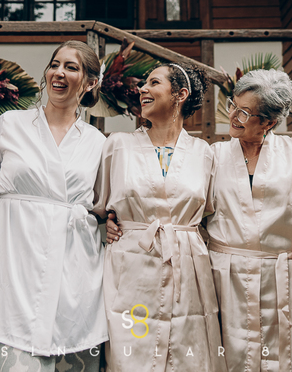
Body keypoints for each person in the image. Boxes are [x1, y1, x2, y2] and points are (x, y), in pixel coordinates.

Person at [0, 40, 108, 372]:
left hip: (76, 266)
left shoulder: (98, 143)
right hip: (16, 262)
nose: (59, 73)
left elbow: (104, 205)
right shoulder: (10, 125)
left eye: (71, 67)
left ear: (91, 82)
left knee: (73, 344)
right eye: (55, 64)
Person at [98, 62, 225, 372]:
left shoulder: (204, 153)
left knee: (186, 353)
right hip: (130, 265)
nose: (143, 89)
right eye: (144, 83)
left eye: (154, 83)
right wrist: (107, 225)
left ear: (179, 94)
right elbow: (99, 204)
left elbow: (210, 211)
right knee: (131, 354)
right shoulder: (118, 145)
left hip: (188, 264)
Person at [206, 69, 292, 371]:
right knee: (227, 356)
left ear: (269, 122)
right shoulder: (214, 154)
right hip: (224, 274)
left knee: (279, 357)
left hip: (279, 276)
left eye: (244, 112)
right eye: (232, 105)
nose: (233, 115)